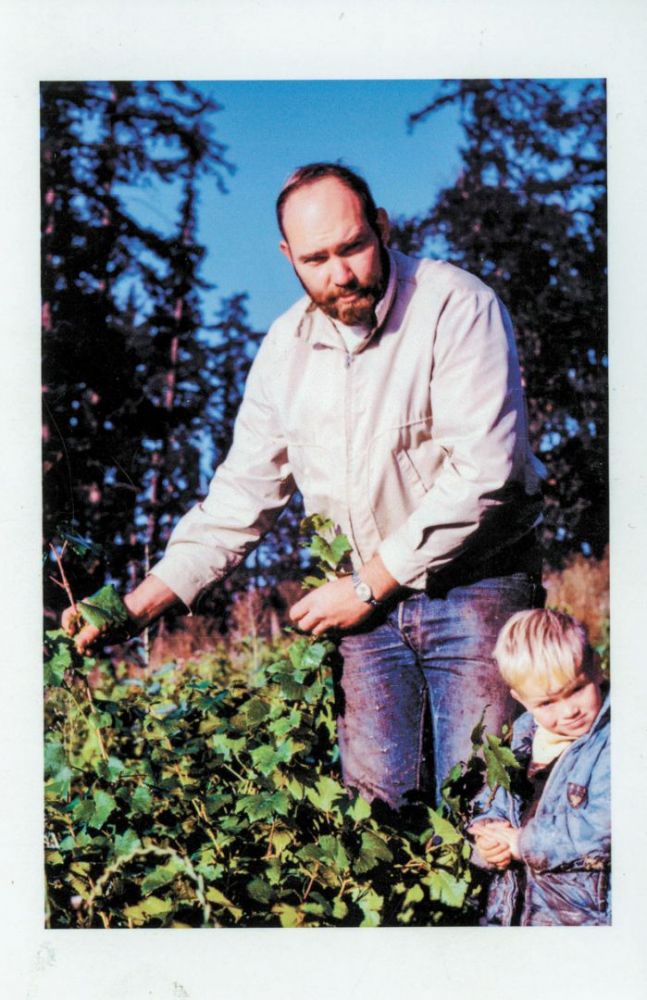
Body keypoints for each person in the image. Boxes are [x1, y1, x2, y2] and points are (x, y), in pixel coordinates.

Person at [64, 162, 545, 808]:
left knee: (488, 808)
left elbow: (485, 473)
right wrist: (132, 609)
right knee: (377, 821)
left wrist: (367, 582)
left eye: (352, 247)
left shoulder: (455, 306)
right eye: (315, 258)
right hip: (364, 616)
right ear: (288, 257)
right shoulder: (284, 350)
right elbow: (240, 498)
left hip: (476, 588)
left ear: (382, 225)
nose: (339, 274)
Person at [468, 609, 610, 926]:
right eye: (547, 703)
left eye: (577, 689)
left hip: (580, 923)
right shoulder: (522, 738)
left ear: (596, 668)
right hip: (514, 915)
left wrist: (524, 843)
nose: (569, 710)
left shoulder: (615, 741)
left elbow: (607, 825)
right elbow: (494, 800)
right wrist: (490, 836)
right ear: (523, 700)